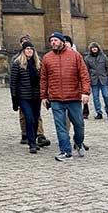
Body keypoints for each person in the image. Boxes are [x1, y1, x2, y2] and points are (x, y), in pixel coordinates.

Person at [40, 32, 90, 162]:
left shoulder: (75, 55)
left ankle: (78, 142)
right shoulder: (47, 58)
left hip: (73, 97)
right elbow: (44, 79)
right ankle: (66, 151)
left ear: (62, 41)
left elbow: (84, 75)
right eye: (51, 41)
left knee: (79, 124)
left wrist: (85, 92)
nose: (53, 43)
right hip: (56, 98)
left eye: (55, 40)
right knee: (60, 126)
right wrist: (43, 96)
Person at [10, 41, 42, 153]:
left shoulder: (38, 64)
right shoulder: (17, 63)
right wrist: (14, 99)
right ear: (23, 51)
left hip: (36, 96)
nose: (29, 51)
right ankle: (32, 143)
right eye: (27, 49)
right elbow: (13, 82)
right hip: (23, 96)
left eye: (31, 49)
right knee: (29, 118)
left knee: (36, 119)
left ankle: (34, 139)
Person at [85, 42, 108, 121]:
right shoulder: (87, 58)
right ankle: (99, 112)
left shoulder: (103, 57)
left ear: (98, 48)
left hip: (103, 79)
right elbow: (86, 70)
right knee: (95, 97)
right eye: (92, 48)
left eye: (95, 47)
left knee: (106, 96)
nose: (94, 49)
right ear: (90, 49)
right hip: (93, 80)